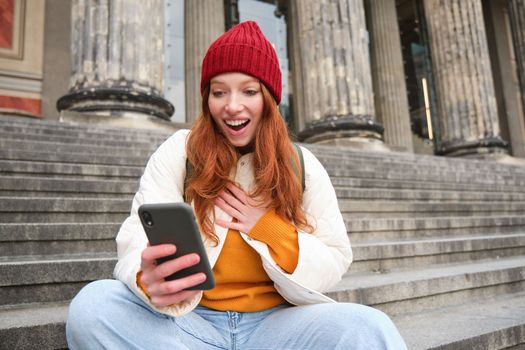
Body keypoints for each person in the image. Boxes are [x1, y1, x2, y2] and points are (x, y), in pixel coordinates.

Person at [66, 20, 407, 350]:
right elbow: (136, 235)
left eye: (248, 91)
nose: (232, 106)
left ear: (269, 99)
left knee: (370, 329)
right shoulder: (179, 151)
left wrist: (269, 228)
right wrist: (146, 279)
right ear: (207, 98)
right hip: (188, 323)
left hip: (278, 326)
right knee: (94, 305)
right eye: (219, 92)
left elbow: (335, 258)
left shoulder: (302, 164)